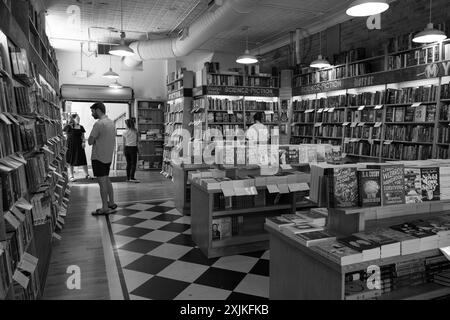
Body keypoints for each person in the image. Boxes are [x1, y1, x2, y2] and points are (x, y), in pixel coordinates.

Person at [88, 102, 117, 215]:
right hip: (108, 157)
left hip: (98, 157)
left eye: (93, 111)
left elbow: (90, 141)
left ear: (98, 110)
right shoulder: (111, 123)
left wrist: (95, 140)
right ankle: (112, 202)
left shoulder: (99, 124)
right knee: (107, 180)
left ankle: (105, 207)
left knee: (102, 183)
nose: (92, 113)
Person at [63, 114, 90, 181]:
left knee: (83, 159)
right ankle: (71, 176)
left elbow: (83, 136)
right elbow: (63, 135)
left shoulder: (81, 127)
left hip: (79, 145)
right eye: (77, 118)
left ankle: (87, 174)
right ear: (73, 119)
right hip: (71, 146)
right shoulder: (68, 126)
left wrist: (83, 142)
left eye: (79, 118)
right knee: (71, 160)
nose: (79, 120)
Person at [123, 118, 140, 183]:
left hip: (127, 148)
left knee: (128, 164)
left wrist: (123, 150)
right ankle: (132, 177)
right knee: (133, 164)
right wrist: (139, 150)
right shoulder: (135, 131)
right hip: (133, 148)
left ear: (127, 125)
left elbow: (123, 143)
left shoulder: (124, 132)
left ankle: (128, 178)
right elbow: (138, 141)